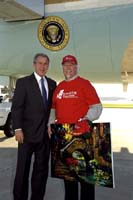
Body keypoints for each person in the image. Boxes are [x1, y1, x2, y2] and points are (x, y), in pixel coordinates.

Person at [48, 55, 103, 200]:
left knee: (86, 179)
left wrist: (86, 119)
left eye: (71, 65)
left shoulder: (84, 84)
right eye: (65, 65)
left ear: (76, 67)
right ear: (62, 67)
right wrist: (50, 124)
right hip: (63, 137)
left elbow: (97, 107)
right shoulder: (59, 87)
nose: (68, 68)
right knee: (68, 178)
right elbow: (53, 109)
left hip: (82, 136)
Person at [11, 53, 56, 200]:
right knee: (22, 171)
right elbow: (17, 107)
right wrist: (17, 129)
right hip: (26, 135)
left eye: (45, 64)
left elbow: (52, 109)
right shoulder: (23, 82)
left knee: (41, 171)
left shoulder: (52, 84)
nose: (43, 67)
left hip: (44, 137)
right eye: (40, 63)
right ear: (34, 64)